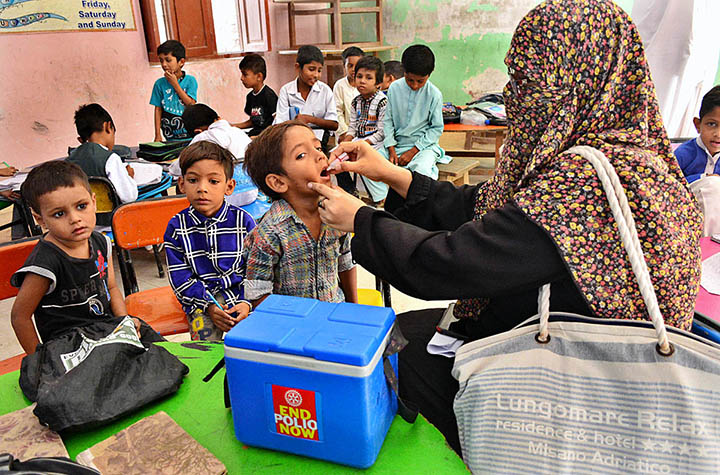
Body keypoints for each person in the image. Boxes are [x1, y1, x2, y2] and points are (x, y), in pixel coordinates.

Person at [308, 0, 702, 454]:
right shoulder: (629, 156)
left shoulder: (584, 185)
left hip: (582, 393)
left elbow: (454, 262)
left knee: (394, 351)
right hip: (566, 347)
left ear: (570, 88)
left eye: (525, 81)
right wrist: (393, 175)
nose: (510, 94)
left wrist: (360, 219)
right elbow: (480, 210)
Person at [10, 161, 138, 355]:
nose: (75, 218)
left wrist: (125, 322)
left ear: (94, 202)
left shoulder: (101, 243)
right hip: (69, 347)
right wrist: (40, 360)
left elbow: (111, 287)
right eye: (59, 214)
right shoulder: (46, 262)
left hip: (107, 331)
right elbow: (20, 316)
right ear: (40, 219)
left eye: (81, 206)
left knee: (157, 354)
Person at [242, 121, 357, 306]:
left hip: (335, 315)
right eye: (301, 155)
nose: (320, 155)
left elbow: (346, 262)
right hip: (294, 327)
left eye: (318, 147)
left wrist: (353, 309)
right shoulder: (270, 232)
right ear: (278, 183)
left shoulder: (338, 214)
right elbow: (258, 293)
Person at [164, 141, 256, 341]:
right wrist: (209, 305)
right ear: (181, 184)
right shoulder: (176, 227)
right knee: (204, 344)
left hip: (241, 297)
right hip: (199, 302)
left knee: (250, 344)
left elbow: (256, 271)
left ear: (229, 186)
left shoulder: (244, 222)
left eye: (213, 181)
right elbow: (180, 279)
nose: (202, 188)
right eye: (193, 180)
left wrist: (246, 302)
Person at [366, 45, 449, 202]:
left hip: (422, 148)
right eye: (410, 80)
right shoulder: (394, 88)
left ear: (429, 75)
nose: (415, 85)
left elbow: (436, 129)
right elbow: (388, 120)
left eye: (420, 81)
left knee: (422, 172)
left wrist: (413, 151)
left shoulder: (434, 95)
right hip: (395, 145)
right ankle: (384, 203)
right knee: (371, 163)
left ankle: (414, 207)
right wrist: (391, 148)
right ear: (403, 72)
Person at [67, 103, 138, 204]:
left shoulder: (69, 161)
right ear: (108, 127)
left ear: (80, 140)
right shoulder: (111, 158)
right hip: (110, 218)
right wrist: (129, 177)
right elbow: (129, 196)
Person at [273, 45, 338, 150]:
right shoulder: (286, 90)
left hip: (319, 139)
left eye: (319, 70)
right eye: (311, 69)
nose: (316, 75)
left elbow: (334, 124)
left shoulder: (325, 90)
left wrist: (309, 119)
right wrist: (295, 122)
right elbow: (280, 124)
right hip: (293, 139)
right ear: (298, 67)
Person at [342, 56, 387, 204]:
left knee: (366, 159)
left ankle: (380, 198)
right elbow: (353, 127)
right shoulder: (356, 101)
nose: (362, 81)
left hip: (376, 142)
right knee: (337, 156)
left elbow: (382, 132)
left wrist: (363, 144)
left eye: (368, 78)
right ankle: (349, 192)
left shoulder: (382, 102)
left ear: (378, 83)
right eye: (359, 76)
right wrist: (347, 140)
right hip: (359, 140)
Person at [150, 40, 198, 141]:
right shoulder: (159, 84)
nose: (164, 64)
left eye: (168, 60)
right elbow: (158, 109)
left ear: (181, 62)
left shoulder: (190, 81)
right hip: (170, 136)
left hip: (189, 135)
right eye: (161, 60)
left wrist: (175, 84)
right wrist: (157, 134)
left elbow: (191, 104)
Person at [675, 85, 720, 183]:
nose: (718, 134)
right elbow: (668, 182)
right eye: (712, 124)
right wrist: (702, 178)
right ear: (698, 125)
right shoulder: (683, 154)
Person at [236, 54, 278, 137]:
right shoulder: (250, 97)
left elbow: (277, 123)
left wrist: (260, 138)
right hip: (254, 134)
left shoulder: (269, 95)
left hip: (267, 137)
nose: (241, 78)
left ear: (259, 76)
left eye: (245, 74)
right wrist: (234, 126)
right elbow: (253, 121)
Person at [333, 46, 364, 143]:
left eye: (357, 65)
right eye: (350, 66)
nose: (354, 69)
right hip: (345, 134)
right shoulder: (340, 85)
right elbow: (337, 111)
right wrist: (344, 132)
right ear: (344, 66)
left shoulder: (366, 84)